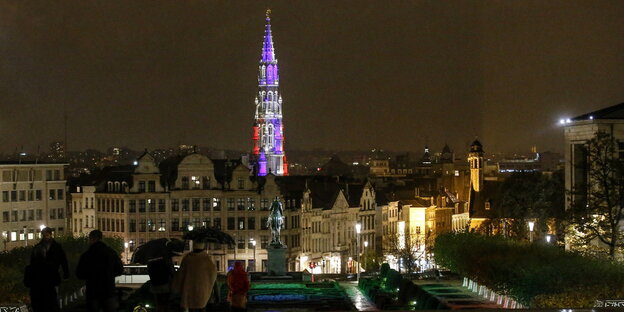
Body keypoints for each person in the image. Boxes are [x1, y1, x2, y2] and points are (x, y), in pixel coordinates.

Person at [76, 230, 124, 312]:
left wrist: (90, 276)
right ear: (101, 238)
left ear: (91, 239)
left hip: (93, 291)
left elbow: (79, 274)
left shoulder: (86, 255)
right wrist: (110, 275)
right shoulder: (111, 253)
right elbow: (120, 270)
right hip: (108, 290)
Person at [24, 227, 69, 312]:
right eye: (44, 236)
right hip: (50, 277)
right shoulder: (43, 247)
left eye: (46, 235)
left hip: (42, 284)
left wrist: (66, 273)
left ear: (50, 235)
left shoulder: (56, 247)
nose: (45, 237)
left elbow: (63, 260)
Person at [172, 240, 217, 312]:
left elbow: (180, 276)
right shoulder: (207, 260)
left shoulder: (187, 259)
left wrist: (177, 289)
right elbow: (213, 275)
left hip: (190, 294)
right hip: (204, 295)